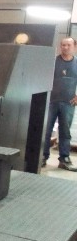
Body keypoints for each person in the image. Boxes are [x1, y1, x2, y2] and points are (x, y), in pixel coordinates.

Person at [43, 37, 77, 170]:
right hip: (51, 102)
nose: (65, 47)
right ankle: (43, 156)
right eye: (63, 45)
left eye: (68, 45)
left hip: (68, 103)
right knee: (46, 131)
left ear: (74, 47)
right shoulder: (53, 62)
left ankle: (64, 159)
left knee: (65, 132)